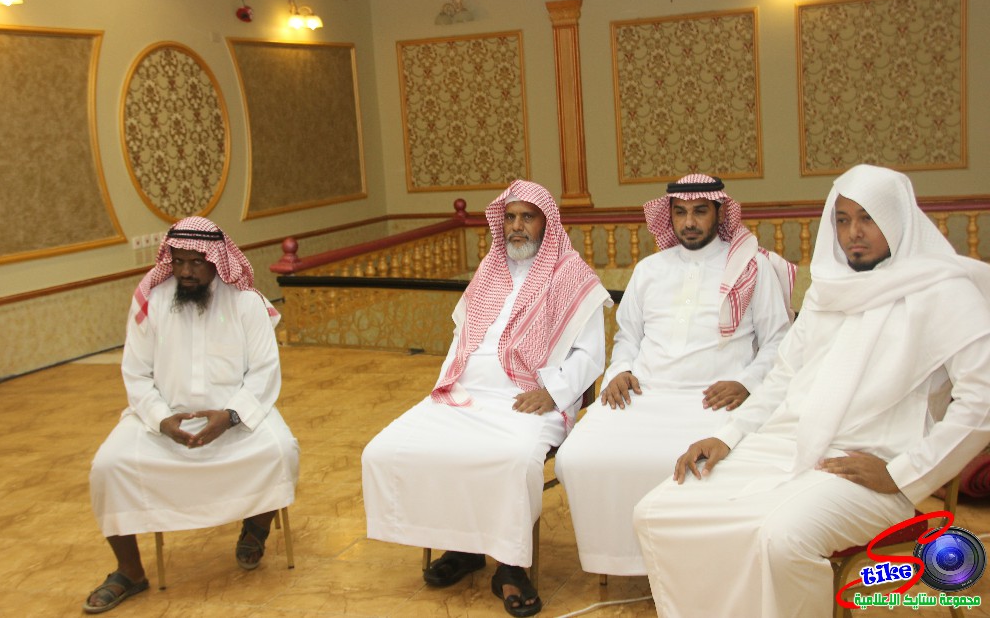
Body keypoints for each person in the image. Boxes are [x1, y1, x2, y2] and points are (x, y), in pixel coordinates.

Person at [633, 164, 990, 618]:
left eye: (868, 218)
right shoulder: (828, 290)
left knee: (781, 539)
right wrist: (728, 434)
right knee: (657, 512)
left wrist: (904, 473)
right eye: (842, 219)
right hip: (784, 443)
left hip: (871, 468)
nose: (853, 233)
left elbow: (981, 404)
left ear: (898, 218)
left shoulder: (944, 292)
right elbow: (782, 378)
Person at [362, 180, 612, 617]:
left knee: (512, 460)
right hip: (464, 395)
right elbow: (461, 340)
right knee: (387, 450)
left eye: (527, 217)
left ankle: (511, 567)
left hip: (529, 400)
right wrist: (444, 387)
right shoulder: (489, 270)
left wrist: (552, 394)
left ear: (546, 223)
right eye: (510, 217)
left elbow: (591, 355)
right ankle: (464, 548)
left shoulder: (572, 276)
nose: (517, 226)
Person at [555, 173, 795, 577]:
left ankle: (695, 569)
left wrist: (747, 383)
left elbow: (778, 341)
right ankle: (617, 558)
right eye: (680, 213)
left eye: (699, 211)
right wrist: (620, 369)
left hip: (714, 402)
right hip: (645, 396)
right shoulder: (649, 269)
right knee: (576, 456)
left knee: (711, 468)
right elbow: (628, 337)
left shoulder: (752, 267)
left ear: (719, 212)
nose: (689, 222)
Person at [84, 217, 300, 614]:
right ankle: (129, 571)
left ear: (217, 260)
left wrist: (230, 416)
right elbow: (136, 373)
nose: (185, 271)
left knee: (280, 450)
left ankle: (255, 529)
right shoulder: (152, 301)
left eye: (196, 262)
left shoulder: (245, 302)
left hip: (234, 419)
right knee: (108, 466)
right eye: (178, 261)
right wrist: (161, 419)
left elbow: (264, 373)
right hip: (164, 421)